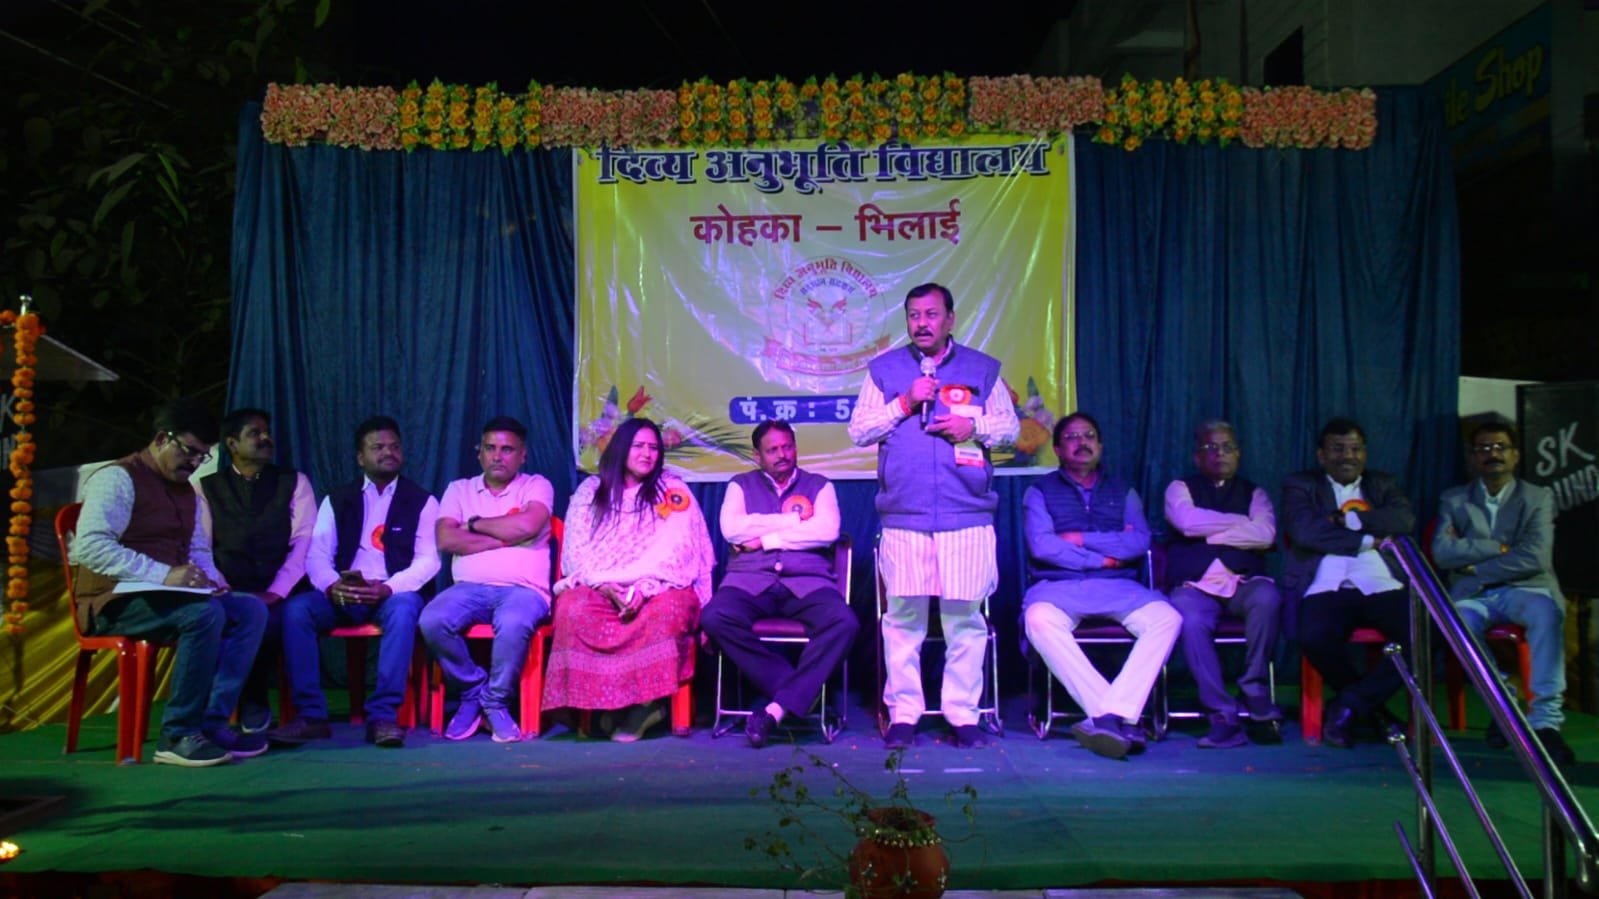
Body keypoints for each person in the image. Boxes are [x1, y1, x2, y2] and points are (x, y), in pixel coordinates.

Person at [848, 282, 1019, 750]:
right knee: (903, 621)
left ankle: (962, 715)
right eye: (913, 315)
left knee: (965, 620)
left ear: (950, 319)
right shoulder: (884, 371)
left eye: (930, 314)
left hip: (967, 515)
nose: (921, 324)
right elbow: (859, 430)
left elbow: (1009, 428)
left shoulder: (981, 369)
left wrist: (972, 424)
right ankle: (904, 713)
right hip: (905, 515)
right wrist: (905, 402)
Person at [71, 398, 268, 766]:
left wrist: (212, 580)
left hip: (166, 596)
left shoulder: (186, 491)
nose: (194, 463)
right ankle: (177, 734)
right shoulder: (118, 478)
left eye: (202, 457)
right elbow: (91, 547)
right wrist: (162, 574)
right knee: (204, 615)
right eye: (190, 451)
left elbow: (197, 548)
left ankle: (212, 723)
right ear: (163, 439)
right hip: (112, 600)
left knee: (250, 610)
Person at [267, 415, 440, 748]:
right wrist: (333, 586)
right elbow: (317, 555)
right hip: (343, 592)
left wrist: (388, 588)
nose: (388, 453)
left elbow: (428, 560)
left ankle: (383, 717)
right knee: (297, 610)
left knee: (405, 609)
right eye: (378, 447)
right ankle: (311, 716)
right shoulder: (338, 499)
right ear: (360, 457)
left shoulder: (422, 500)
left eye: (394, 446)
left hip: (392, 592)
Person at [542, 417, 714, 742]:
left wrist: (645, 588)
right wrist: (605, 585)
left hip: (660, 586)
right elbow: (576, 553)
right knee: (572, 608)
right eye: (638, 446)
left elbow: (679, 552)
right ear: (621, 448)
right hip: (600, 583)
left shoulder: (673, 490)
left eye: (653, 448)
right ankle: (604, 708)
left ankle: (646, 707)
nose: (647, 454)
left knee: (668, 611)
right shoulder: (591, 491)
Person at [1021, 413, 1181, 760]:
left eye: (1089, 435)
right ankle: (1118, 717)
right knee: (1038, 620)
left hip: (1119, 587)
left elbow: (1138, 541)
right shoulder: (1040, 491)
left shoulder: (1123, 490)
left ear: (1101, 445)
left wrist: (1079, 539)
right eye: (1072, 437)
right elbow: (1043, 546)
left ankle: (1108, 718)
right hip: (1059, 586)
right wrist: (1104, 558)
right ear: (1057, 449)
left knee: (1167, 618)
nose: (1082, 443)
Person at [700, 420, 858, 748]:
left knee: (844, 622)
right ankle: (799, 692)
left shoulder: (820, 486)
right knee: (714, 617)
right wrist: (793, 521)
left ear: (796, 448)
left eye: (787, 447)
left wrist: (764, 539)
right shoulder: (740, 485)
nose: (782, 455)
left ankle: (775, 709)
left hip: (808, 581)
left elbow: (826, 531)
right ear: (757, 455)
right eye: (772, 450)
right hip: (749, 580)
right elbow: (733, 530)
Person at [1431, 421, 1574, 765]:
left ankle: (1545, 722)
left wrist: (1475, 565)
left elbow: (1535, 558)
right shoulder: (1454, 498)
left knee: (1546, 613)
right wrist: (1500, 548)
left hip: (1527, 588)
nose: (1491, 454)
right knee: (1457, 622)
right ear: (1472, 457)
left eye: (1500, 447)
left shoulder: (1538, 497)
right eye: (1483, 448)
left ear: (1515, 455)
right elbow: (1442, 553)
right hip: (1474, 595)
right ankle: (1504, 706)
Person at [420, 416, 555, 743]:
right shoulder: (459, 489)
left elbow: (527, 525)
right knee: (432, 620)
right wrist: (505, 537)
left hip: (524, 591)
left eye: (507, 450)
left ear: (522, 455)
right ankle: (473, 689)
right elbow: (446, 540)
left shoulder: (536, 485)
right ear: (479, 452)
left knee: (513, 622)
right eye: (490, 448)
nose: (497, 456)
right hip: (468, 589)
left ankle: (496, 702)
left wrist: (473, 524)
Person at [1283, 417, 1415, 749]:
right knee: (1312, 637)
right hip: (1325, 584)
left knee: (1423, 634)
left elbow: (1403, 520)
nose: (1347, 456)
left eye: (1355, 449)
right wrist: (1367, 540)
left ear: (1365, 453)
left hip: (1381, 583)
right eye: (1338, 449)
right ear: (1321, 455)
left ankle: (1348, 706)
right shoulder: (1301, 485)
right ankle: (1374, 712)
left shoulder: (1383, 484)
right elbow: (1305, 532)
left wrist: (1349, 519)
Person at [1163, 419, 1284, 748]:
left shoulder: (1255, 493)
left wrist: (1210, 533)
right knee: (1188, 617)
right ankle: (1221, 712)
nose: (1220, 454)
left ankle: (1255, 690)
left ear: (1238, 454)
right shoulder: (1179, 488)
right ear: (1197, 456)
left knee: (1268, 598)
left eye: (1227, 447)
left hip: (1243, 581)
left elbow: (1265, 534)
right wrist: (1242, 524)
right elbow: (1187, 524)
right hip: (1196, 584)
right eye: (1211, 447)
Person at [197, 407, 317, 735]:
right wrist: (223, 588)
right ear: (232, 444)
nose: (266, 438)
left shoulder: (294, 482)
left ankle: (252, 699)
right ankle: (218, 707)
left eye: (267, 432)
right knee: (218, 617)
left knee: (271, 618)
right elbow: (202, 548)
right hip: (226, 587)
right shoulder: (206, 488)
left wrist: (276, 591)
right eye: (255, 433)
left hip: (281, 588)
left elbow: (304, 543)